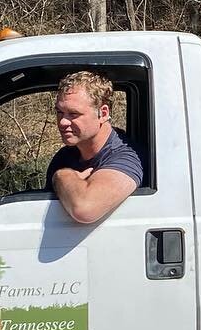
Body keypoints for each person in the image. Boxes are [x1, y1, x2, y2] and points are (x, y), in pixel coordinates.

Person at [46, 71, 143, 224]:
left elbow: (85, 209)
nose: (62, 122)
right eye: (59, 112)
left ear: (103, 114)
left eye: (73, 114)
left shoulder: (126, 157)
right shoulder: (65, 156)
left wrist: (62, 176)